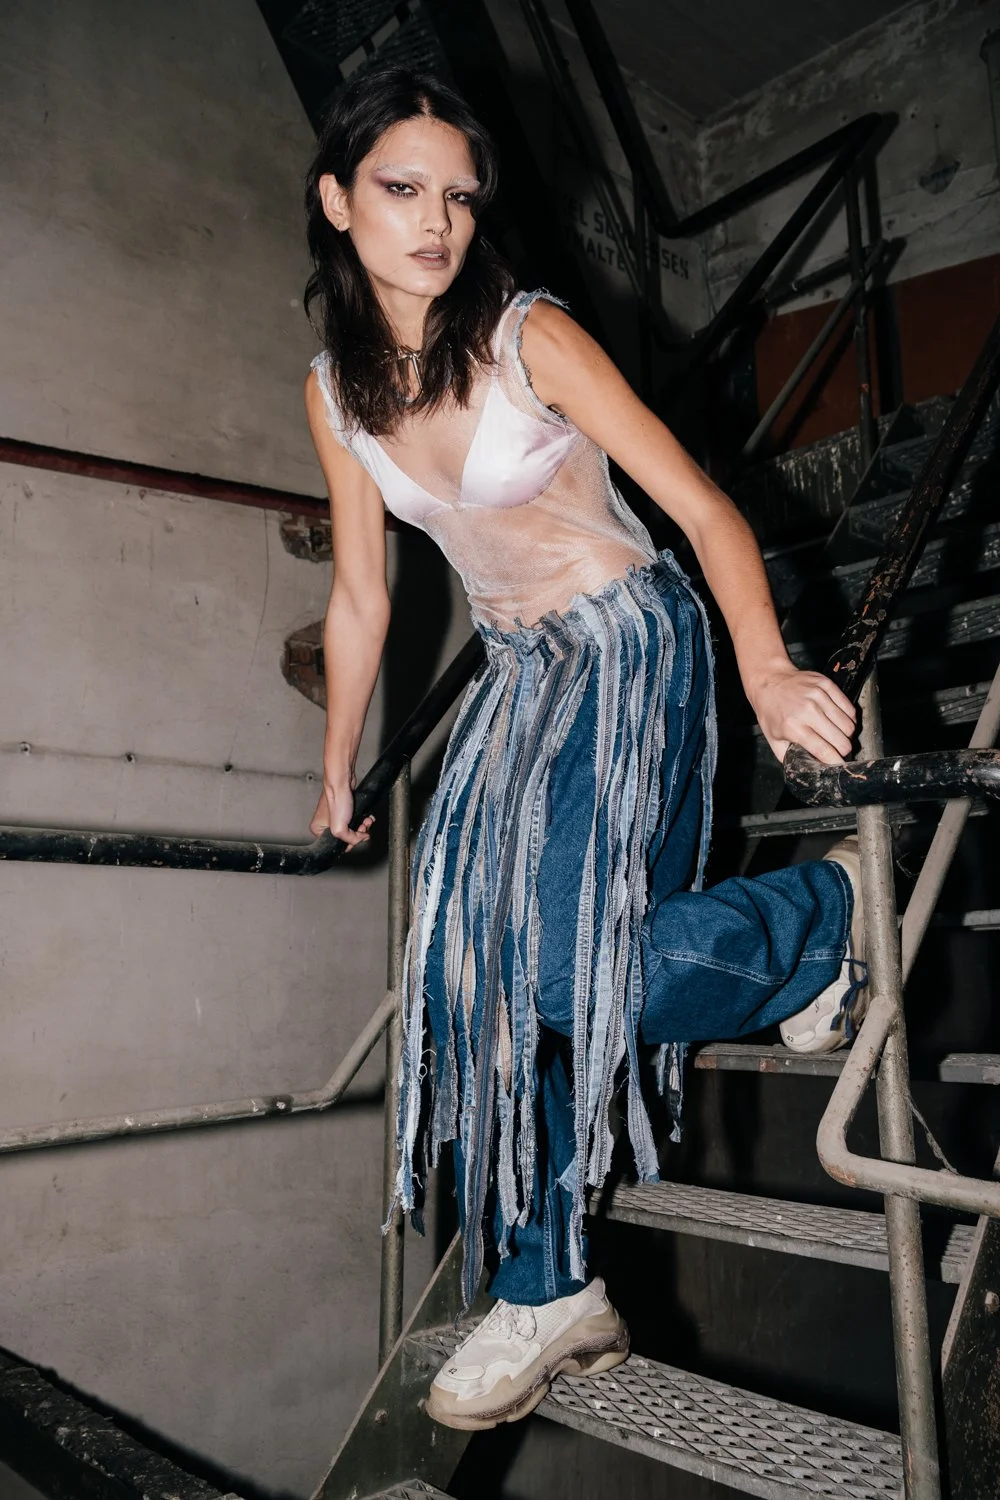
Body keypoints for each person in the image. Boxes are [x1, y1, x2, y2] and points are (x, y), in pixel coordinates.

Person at [302, 66, 867, 1433]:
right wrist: (336, 767)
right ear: (336, 200)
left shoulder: (527, 336)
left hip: (628, 649)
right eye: (400, 188)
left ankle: (823, 912)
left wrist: (768, 664)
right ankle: (549, 1287)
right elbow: (366, 595)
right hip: (513, 680)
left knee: (565, 964)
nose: (434, 221)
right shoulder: (335, 391)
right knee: (467, 982)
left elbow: (701, 505)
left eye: (456, 195)